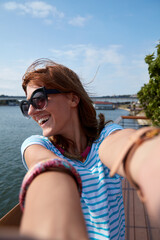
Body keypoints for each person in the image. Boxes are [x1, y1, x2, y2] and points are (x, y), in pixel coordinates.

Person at [18, 58, 160, 240]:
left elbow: (124, 144)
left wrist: (149, 161)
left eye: (38, 99)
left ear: (73, 98)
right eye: (26, 105)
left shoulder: (106, 137)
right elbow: (46, 166)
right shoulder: (37, 145)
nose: (31, 111)